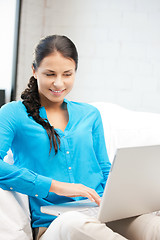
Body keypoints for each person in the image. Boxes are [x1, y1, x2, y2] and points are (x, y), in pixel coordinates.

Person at [0, 35, 160, 240]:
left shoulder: (90, 114)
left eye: (67, 74)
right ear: (34, 70)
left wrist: (126, 198)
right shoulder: (13, 113)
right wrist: (56, 186)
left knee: (154, 227)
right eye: (50, 74)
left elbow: (104, 167)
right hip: (55, 224)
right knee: (75, 224)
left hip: (101, 213)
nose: (59, 83)